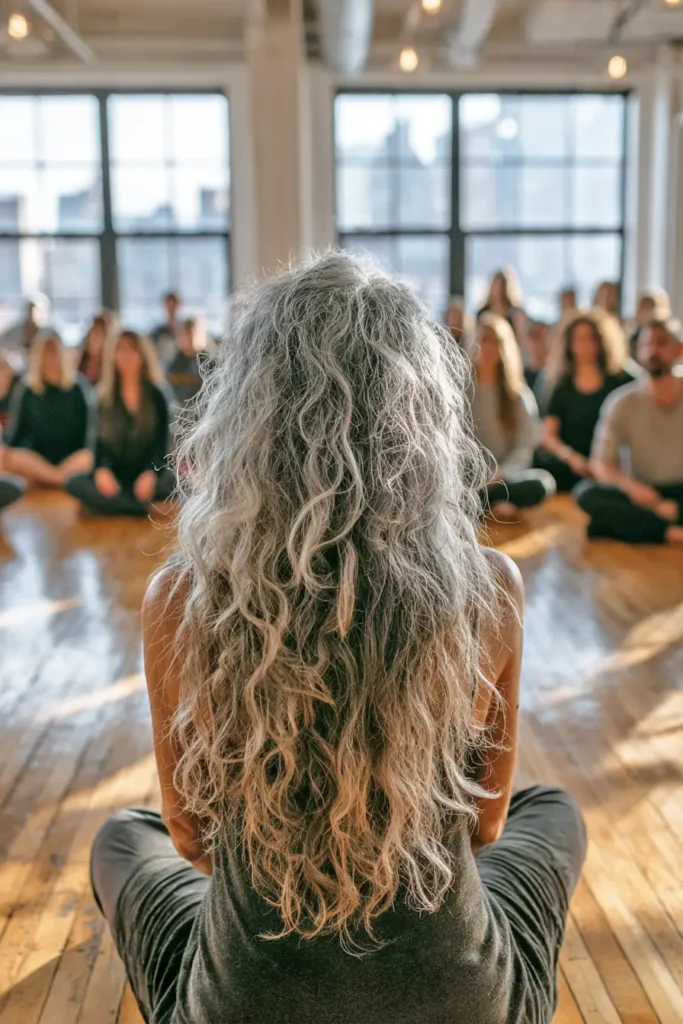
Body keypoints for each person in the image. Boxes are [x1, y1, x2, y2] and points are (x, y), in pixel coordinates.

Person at [89, 252, 586, 1024]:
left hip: (242, 1003)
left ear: (246, 411)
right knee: (550, 811)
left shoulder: (181, 598)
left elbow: (189, 836)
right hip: (460, 1003)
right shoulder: (489, 587)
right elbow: (486, 824)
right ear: (420, 415)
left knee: (127, 836)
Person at [575, 318, 683, 544]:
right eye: (647, 344)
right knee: (586, 494)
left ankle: (639, 528)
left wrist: (673, 508)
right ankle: (669, 533)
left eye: (661, 343)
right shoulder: (622, 401)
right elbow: (601, 463)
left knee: (598, 526)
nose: (653, 350)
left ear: (679, 350)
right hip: (643, 493)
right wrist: (634, 490)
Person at [66, 331, 175, 517]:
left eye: (132, 350)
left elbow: (162, 447)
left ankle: (107, 507)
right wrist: (101, 470)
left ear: (143, 355)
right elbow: (96, 445)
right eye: (120, 350)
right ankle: (144, 509)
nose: (126, 356)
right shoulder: (103, 397)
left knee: (173, 480)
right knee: (73, 483)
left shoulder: (158, 395)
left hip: (147, 477)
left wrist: (150, 473)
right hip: (114, 477)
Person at [534, 313, 636, 492]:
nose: (586, 345)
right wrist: (573, 459)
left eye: (592, 338)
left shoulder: (621, 379)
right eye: (580, 339)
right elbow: (549, 435)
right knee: (541, 465)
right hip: (574, 463)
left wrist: (605, 465)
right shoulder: (561, 385)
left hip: (612, 461)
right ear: (569, 344)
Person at [471, 314, 555, 519]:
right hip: (468, 478)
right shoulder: (460, 390)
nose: (487, 346)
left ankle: (479, 505)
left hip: (503, 478)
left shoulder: (519, 396)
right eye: (483, 339)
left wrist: (500, 475)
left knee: (543, 483)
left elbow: (524, 449)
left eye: (494, 341)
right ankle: (490, 505)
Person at [0, 330, 94, 488]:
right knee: (7, 456)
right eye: (45, 353)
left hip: (72, 458)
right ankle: (60, 479)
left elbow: (90, 431)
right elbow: (16, 433)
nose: (50, 358)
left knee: (89, 457)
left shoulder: (79, 387)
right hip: (37, 460)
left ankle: (47, 479)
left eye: (54, 352)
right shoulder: (27, 389)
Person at [166, 317, 208, 406]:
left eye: (191, 333)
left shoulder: (208, 362)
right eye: (184, 334)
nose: (188, 338)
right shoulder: (174, 363)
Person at [477, 269, 526, 338]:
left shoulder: (516, 314)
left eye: (501, 285)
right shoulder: (482, 313)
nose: (497, 289)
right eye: (495, 284)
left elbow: (521, 338)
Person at [627, 287, 670, 358]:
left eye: (649, 307)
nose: (645, 312)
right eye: (643, 307)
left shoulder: (669, 332)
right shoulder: (633, 335)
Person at [78, 313, 113, 385]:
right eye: (91, 334)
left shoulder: (112, 368)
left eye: (99, 335)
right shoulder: (79, 362)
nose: (93, 340)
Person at [151, 291, 182, 368]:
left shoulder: (184, 330)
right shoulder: (157, 331)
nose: (171, 307)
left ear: (178, 305)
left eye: (173, 304)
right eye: (168, 304)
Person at [521, 319, 549, 397]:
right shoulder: (519, 377)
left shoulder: (555, 380)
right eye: (533, 335)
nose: (536, 343)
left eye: (540, 336)